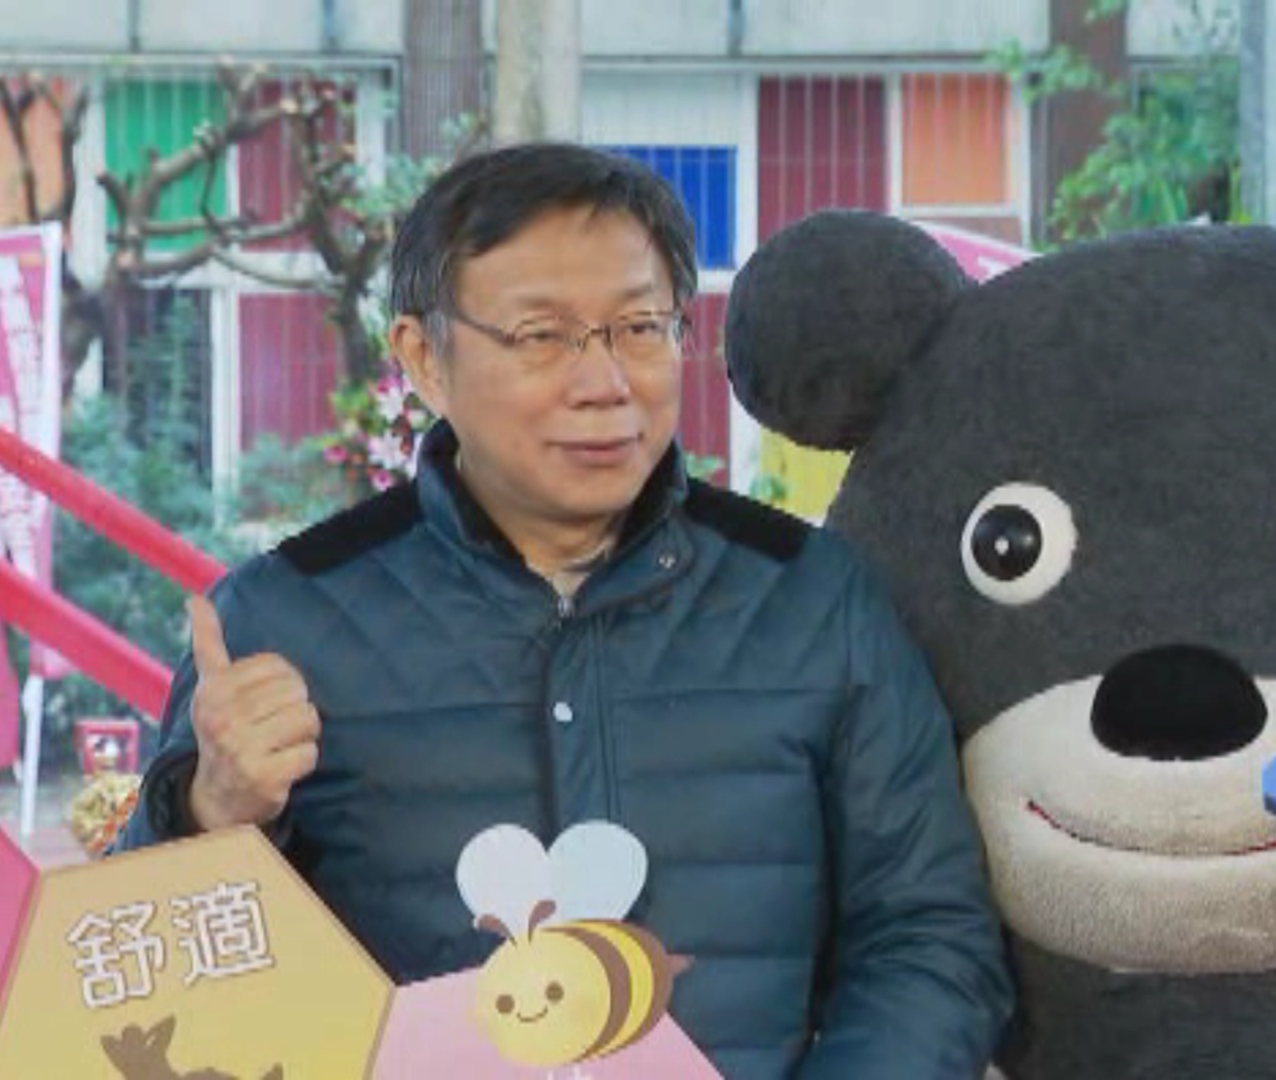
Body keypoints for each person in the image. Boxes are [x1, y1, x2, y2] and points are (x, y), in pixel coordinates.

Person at [109, 143, 1011, 1077]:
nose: (605, 383)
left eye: (640, 328)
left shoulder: (812, 598)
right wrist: (209, 812)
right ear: (423, 357)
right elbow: (137, 981)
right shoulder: (283, 619)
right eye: (542, 336)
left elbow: (929, 940)